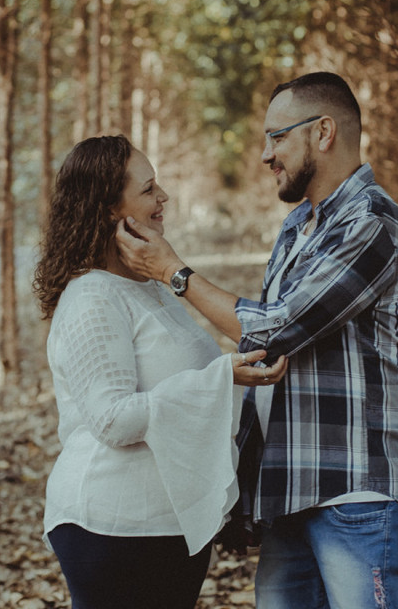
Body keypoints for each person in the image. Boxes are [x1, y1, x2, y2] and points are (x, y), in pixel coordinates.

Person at [116, 72, 398, 609]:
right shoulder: (297, 227)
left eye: (277, 136)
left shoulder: (374, 224)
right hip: (289, 496)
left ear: (323, 132)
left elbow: (276, 328)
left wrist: (175, 272)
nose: (265, 154)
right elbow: (264, 356)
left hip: (357, 495)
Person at [32, 135, 288, 609]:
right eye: (149, 189)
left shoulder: (145, 290)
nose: (163, 198)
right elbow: (112, 419)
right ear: (110, 207)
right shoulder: (92, 297)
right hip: (111, 526)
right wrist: (220, 378)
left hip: (167, 524)